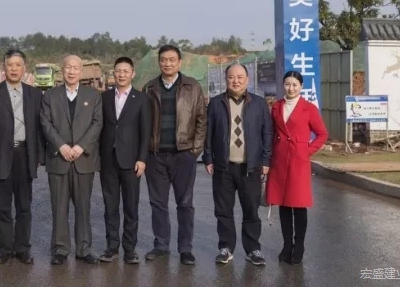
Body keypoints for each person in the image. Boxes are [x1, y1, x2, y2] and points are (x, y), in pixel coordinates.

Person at [141, 45, 206, 266]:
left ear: (179, 62)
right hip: (156, 155)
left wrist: (194, 151)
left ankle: (185, 249)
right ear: (159, 62)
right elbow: (143, 121)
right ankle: (161, 245)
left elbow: (201, 119)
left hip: (183, 154)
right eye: (163, 60)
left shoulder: (192, 86)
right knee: (158, 203)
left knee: (185, 203)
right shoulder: (149, 87)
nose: (167, 63)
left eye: (171, 60)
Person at [0, 49, 44, 265]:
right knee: (3, 207)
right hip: (0, 156)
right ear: (4, 68)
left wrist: (39, 155)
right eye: (10, 65)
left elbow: (39, 128)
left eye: (18, 65)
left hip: (25, 155)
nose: (14, 69)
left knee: (24, 206)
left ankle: (23, 249)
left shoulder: (34, 94)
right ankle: (5, 249)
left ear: (24, 68)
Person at [203, 63, 272, 266]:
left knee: (251, 210)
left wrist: (265, 160)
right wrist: (208, 158)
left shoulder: (259, 104)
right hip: (223, 166)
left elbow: (267, 133)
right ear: (226, 80)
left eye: (240, 77)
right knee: (223, 209)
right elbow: (208, 132)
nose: (236, 81)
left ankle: (253, 249)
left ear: (247, 79)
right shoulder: (216, 103)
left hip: (250, 166)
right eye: (231, 77)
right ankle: (226, 247)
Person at [40, 54, 103, 265]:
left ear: (81, 71)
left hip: (83, 159)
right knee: (59, 207)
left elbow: (97, 123)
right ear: (62, 69)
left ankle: (84, 248)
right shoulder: (50, 95)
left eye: (76, 68)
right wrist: (62, 146)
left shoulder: (93, 95)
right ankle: (60, 249)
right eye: (68, 67)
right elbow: (45, 123)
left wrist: (80, 147)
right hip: (59, 159)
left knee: (83, 207)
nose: (72, 71)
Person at [266, 70, 329, 264]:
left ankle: (299, 246)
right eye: (287, 84)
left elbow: (322, 134)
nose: (291, 88)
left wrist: (307, 150)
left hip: (299, 161)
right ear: (283, 85)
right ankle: (287, 245)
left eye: (294, 85)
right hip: (279, 160)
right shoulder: (277, 107)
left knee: (299, 204)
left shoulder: (308, 108)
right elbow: (271, 132)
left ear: (301, 86)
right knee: (283, 204)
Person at [99, 57, 152, 264]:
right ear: (113, 73)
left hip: (131, 161)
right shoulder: (104, 97)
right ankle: (112, 247)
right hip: (108, 160)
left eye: (125, 71)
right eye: (118, 71)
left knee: (131, 207)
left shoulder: (141, 99)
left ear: (132, 74)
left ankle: (130, 249)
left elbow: (145, 131)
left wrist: (142, 158)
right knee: (110, 206)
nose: (121, 75)